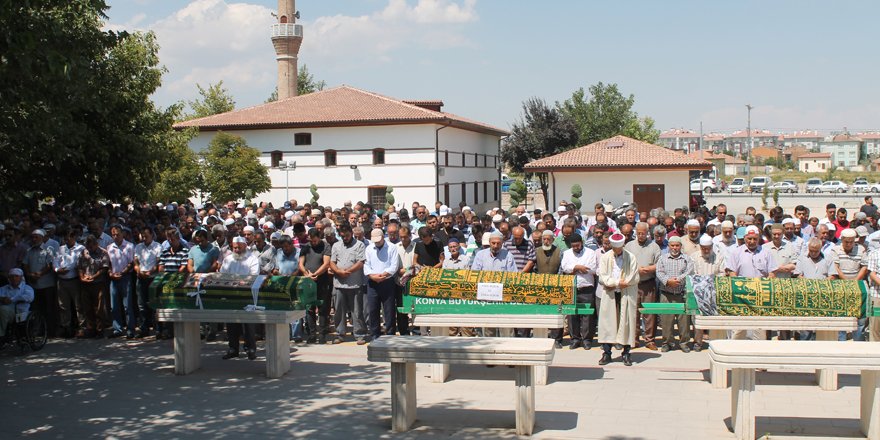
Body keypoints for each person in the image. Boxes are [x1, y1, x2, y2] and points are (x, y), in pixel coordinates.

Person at [725, 225, 779, 340]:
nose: (752, 241)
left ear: (759, 238)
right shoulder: (736, 253)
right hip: (741, 298)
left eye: (755, 239)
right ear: (745, 238)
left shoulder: (766, 252)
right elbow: (731, 273)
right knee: (738, 331)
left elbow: (772, 274)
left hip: (760, 298)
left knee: (759, 332)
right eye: (749, 239)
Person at [597, 232, 639, 366]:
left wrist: (622, 283)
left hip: (626, 293)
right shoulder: (605, 257)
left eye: (619, 248)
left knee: (626, 322)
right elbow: (602, 276)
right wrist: (615, 283)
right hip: (610, 293)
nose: (617, 251)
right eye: (615, 249)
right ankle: (607, 353)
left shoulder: (630, 257)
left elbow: (634, 276)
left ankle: (626, 353)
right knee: (608, 323)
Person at [220, 236, 260, 360]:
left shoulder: (252, 259)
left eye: (239, 247)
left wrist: (239, 281)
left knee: (248, 324)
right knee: (231, 324)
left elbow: (254, 275)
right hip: (231, 295)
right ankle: (233, 349)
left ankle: (250, 349)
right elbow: (222, 275)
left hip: (247, 295)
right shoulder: (228, 259)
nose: (236, 250)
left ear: (245, 246)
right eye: (234, 247)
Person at [470, 231, 517, 338]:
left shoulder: (508, 256)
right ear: (489, 242)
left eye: (498, 243)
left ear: (502, 243)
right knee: (488, 329)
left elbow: (513, 277)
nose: (495, 246)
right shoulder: (480, 255)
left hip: (503, 299)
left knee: (506, 330)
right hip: (486, 298)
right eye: (493, 243)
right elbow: (474, 275)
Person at [624, 222, 661, 350]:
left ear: (647, 233)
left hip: (648, 283)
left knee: (649, 313)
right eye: (638, 233)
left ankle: (649, 340)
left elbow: (660, 264)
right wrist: (636, 269)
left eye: (643, 233)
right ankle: (634, 340)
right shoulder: (629, 246)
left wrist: (650, 269)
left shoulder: (654, 246)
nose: (641, 235)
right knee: (633, 313)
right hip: (633, 284)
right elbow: (625, 264)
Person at [330, 222, 367, 345]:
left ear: (351, 233)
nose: (344, 238)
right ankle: (340, 334)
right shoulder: (336, 245)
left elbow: (361, 262)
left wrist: (348, 271)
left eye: (346, 235)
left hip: (355, 284)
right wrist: (338, 271)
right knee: (339, 311)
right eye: (342, 236)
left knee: (357, 311)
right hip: (339, 284)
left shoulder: (359, 245)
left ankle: (359, 334)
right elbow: (332, 262)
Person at [656, 236, 694, 352]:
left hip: (682, 294)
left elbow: (689, 272)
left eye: (677, 245)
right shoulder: (662, 258)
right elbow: (659, 272)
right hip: (666, 293)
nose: (675, 248)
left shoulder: (686, 259)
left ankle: (684, 343)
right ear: (669, 246)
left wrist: (676, 281)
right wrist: (668, 281)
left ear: (680, 246)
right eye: (672, 245)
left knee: (684, 321)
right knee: (667, 320)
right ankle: (667, 342)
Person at [560, 233, 598, 349]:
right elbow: (565, 267)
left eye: (577, 245)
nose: (576, 248)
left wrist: (575, 268)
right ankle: (575, 339)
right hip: (572, 288)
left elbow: (592, 268)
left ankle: (587, 340)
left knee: (587, 315)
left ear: (581, 242)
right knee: (572, 315)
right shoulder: (567, 253)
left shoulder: (590, 253)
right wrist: (577, 268)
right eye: (574, 246)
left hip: (586, 287)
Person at [830, 228, 868, 341]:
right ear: (842, 239)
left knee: (859, 316)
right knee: (841, 314)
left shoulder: (861, 250)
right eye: (846, 241)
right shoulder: (835, 250)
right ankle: (841, 341)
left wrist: (855, 281)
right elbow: (835, 267)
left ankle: (858, 340)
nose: (849, 244)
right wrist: (846, 281)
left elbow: (864, 267)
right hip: (841, 286)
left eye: (851, 241)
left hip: (857, 284)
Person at [689, 234, 726, 350]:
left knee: (714, 319)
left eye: (708, 248)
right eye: (704, 248)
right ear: (700, 247)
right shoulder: (694, 257)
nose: (706, 250)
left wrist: (711, 281)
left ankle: (714, 343)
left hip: (714, 293)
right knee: (698, 319)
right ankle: (698, 342)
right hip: (698, 294)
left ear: (712, 246)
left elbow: (722, 273)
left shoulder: (719, 257)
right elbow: (692, 274)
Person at [364, 229, 400, 341]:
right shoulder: (369, 248)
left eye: (379, 240)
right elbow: (366, 265)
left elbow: (394, 265)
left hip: (387, 281)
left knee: (389, 309)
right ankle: (374, 333)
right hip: (372, 281)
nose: (377, 242)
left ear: (383, 237)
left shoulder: (392, 247)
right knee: (373, 309)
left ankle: (390, 333)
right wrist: (372, 276)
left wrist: (383, 275)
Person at [24, 229, 58, 337]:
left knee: (49, 309)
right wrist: (29, 274)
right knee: (36, 309)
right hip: (34, 285)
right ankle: (38, 330)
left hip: (47, 285)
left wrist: (39, 274)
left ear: (42, 238)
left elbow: (49, 265)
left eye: (36, 237)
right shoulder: (29, 251)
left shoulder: (48, 250)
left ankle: (50, 331)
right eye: (32, 237)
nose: (34, 239)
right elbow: (25, 264)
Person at [77, 235, 111, 338]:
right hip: (85, 284)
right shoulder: (83, 253)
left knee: (99, 308)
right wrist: (82, 277)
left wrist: (93, 277)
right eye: (88, 247)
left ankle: (100, 330)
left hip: (98, 283)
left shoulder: (103, 253)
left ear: (96, 244)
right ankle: (90, 329)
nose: (89, 249)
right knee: (87, 308)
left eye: (91, 247)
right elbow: (79, 267)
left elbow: (104, 269)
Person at [535, 230, 564, 347]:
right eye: (544, 239)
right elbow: (534, 268)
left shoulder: (559, 251)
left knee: (556, 314)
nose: (546, 241)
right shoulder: (537, 251)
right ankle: (541, 337)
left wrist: (555, 281)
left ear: (553, 240)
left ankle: (556, 339)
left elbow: (562, 268)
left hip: (555, 286)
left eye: (549, 239)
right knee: (541, 314)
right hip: (540, 286)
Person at [54, 229, 83, 338]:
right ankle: (66, 327)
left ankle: (82, 327)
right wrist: (58, 269)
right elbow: (55, 261)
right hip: (62, 280)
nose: (66, 241)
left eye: (68, 238)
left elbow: (78, 263)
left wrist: (67, 269)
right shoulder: (61, 248)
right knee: (63, 306)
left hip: (74, 279)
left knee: (78, 305)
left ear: (74, 237)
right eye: (65, 239)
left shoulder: (80, 248)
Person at [133, 226, 162, 338]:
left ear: (152, 235)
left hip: (152, 278)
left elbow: (159, 262)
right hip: (141, 277)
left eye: (146, 236)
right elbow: (136, 261)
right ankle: (144, 328)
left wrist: (151, 271)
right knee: (142, 305)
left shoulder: (157, 246)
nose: (144, 238)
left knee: (154, 304)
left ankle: (158, 329)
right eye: (143, 236)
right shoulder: (138, 246)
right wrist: (138, 270)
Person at [0, 269, 34, 338]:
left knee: (3, 309)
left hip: (20, 314)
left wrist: (11, 299)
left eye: (16, 276)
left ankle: (1, 335)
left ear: (21, 277)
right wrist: (2, 299)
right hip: (6, 313)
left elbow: (29, 297)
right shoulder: (3, 288)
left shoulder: (27, 288)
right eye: (12, 276)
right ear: (9, 278)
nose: (14, 278)